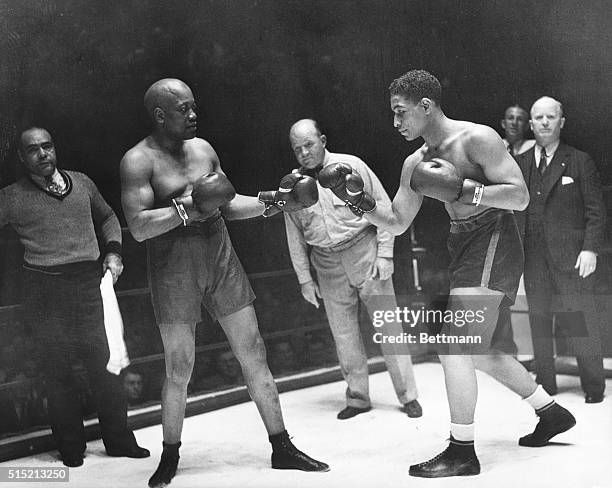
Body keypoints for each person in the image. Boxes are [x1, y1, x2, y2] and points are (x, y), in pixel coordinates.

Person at [331, 70, 577, 477]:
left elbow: (520, 196)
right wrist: (358, 202)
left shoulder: (476, 138)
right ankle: (549, 412)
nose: (396, 122)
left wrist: (465, 190)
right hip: (462, 243)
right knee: (478, 350)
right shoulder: (415, 163)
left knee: (455, 344)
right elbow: (395, 221)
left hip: (495, 235)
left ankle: (462, 450)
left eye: (401, 112)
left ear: (426, 106)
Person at [120, 79, 329, 488]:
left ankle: (282, 445)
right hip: (173, 263)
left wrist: (278, 202)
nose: (194, 115)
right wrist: (190, 207)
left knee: (253, 350)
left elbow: (228, 205)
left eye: (195, 106)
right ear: (161, 115)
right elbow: (140, 227)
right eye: (184, 109)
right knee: (179, 366)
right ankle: (169, 455)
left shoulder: (203, 149)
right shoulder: (137, 161)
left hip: (219, 253)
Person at [0, 127, 149, 467]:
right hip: (45, 289)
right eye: (33, 150)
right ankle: (70, 448)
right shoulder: (11, 196)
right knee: (58, 372)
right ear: (22, 157)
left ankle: (119, 440)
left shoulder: (81, 183)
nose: (42, 154)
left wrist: (114, 252)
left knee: (107, 366)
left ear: (55, 148)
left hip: (88, 284)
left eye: (47, 146)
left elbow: (109, 217)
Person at [284, 119, 422, 419]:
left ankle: (408, 395)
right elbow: (294, 236)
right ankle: (358, 398)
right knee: (343, 334)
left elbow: (383, 206)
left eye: (308, 144)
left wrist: (385, 254)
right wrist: (305, 280)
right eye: (297, 149)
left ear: (322, 139)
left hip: (365, 249)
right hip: (326, 261)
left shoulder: (351, 165)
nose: (304, 152)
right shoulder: (293, 185)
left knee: (389, 326)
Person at [515, 96, 606, 403]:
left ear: (561, 122)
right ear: (530, 124)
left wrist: (590, 249)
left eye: (550, 117)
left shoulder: (579, 160)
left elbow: (596, 211)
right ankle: (547, 385)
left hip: (572, 259)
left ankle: (594, 386)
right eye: (538, 118)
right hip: (534, 258)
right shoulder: (521, 164)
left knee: (579, 321)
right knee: (539, 321)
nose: (544, 123)